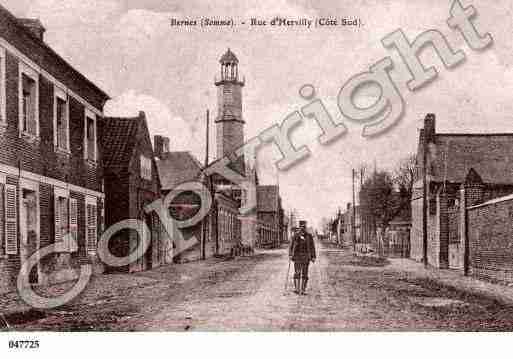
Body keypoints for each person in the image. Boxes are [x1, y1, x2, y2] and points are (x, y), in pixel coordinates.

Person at [289, 220, 316, 295]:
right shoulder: (295, 236)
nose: (302, 228)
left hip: (306, 257)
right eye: (301, 227)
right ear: (299, 227)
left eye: (304, 227)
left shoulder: (309, 236)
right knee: (297, 272)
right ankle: (297, 289)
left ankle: (303, 289)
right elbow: (291, 246)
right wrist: (290, 254)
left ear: (305, 227)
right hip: (297, 257)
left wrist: (313, 256)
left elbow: (312, 247)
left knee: (305, 273)